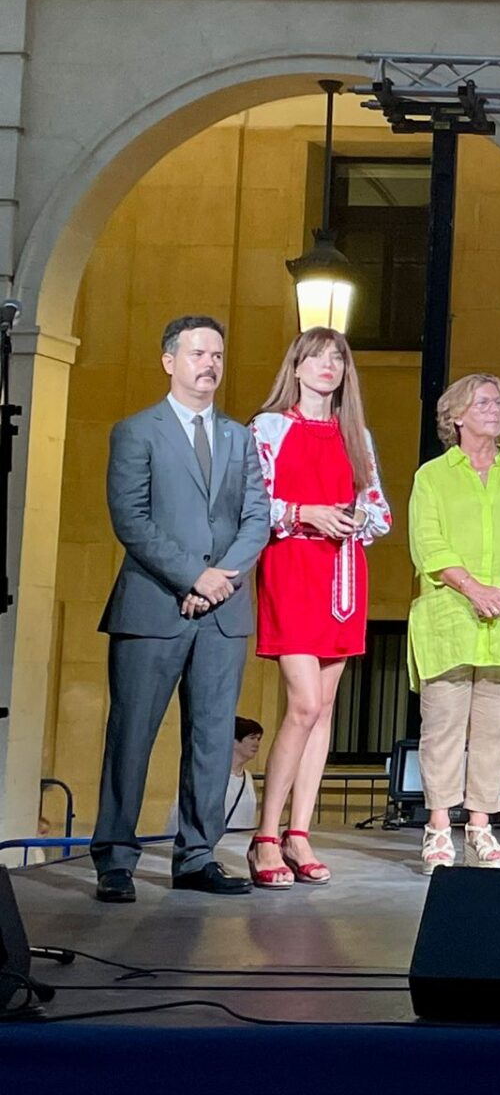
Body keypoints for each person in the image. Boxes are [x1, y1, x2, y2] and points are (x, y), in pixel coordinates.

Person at [94, 316, 271, 904]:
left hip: (222, 613)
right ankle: (115, 859)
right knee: (132, 736)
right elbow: (131, 520)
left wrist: (219, 582)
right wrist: (193, 576)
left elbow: (256, 518)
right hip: (153, 607)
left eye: (217, 354)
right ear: (169, 361)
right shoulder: (135, 431)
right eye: (198, 353)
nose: (210, 364)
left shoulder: (239, 438)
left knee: (213, 740)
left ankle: (197, 856)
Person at [248, 328, 392, 888]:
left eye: (338, 358)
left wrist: (355, 518)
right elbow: (252, 502)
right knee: (304, 703)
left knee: (325, 707)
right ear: (297, 366)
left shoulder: (356, 434)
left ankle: (299, 833)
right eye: (317, 357)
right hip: (291, 567)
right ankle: (265, 836)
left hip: (342, 572)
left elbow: (379, 511)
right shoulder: (269, 426)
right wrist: (305, 512)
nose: (328, 366)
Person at [407, 374, 500, 871]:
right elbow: (429, 544)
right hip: (450, 618)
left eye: (499, 402)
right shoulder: (432, 476)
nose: (496, 408)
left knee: (495, 731)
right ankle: (438, 827)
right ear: (456, 416)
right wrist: (475, 590)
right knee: (443, 728)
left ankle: (481, 826)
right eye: (483, 402)